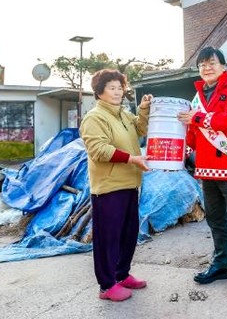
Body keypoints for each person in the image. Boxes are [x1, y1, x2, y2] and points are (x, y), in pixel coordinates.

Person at [177, 46, 227, 298]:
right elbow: (193, 131)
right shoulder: (198, 96)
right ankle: (221, 265)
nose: (207, 68)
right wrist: (184, 144)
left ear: (223, 66)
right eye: (202, 64)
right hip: (206, 167)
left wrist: (198, 119)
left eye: (211, 63)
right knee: (216, 221)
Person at [79, 69, 152, 302]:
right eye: (111, 87)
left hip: (130, 183)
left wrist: (143, 109)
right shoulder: (94, 118)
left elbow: (141, 129)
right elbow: (98, 150)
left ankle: (121, 274)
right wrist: (132, 159)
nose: (118, 91)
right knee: (108, 237)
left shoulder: (123, 114)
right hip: (108, 187)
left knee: (128, 234)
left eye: (120, 87)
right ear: (99, 91)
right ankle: (107, 285)